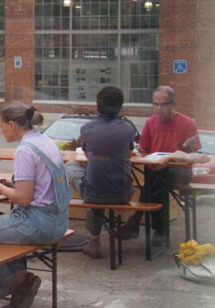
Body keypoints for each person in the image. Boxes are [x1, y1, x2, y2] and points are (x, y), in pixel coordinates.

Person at [0, 102, 71, 308]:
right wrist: (7, 183)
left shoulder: (24, 151)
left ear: (12, 125)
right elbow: (40, 187)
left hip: (38, 224)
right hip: (58, 221)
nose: (0, 130)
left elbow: (22, 198)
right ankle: (21, 280)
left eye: (1, 126)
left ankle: (18, 286)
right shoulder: (46, 141)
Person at [116, 85, 208, 244]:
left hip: (180, 173)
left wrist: (188, 147)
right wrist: (138, 150)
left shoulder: (186, 123)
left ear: (173, 104)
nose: (159, 108)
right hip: (157, 171)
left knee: (156, 181)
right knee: (157, 182)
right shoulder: (150, 123)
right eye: (156, 104)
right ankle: (160, 232)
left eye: (163, 104)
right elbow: (144, 149)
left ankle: (137, 221)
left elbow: (195, 154)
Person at [65, 86, 135, 260]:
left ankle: (95, 239)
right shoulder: (127, 128)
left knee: (72, 166)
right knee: (94, 179)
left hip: (94, 193)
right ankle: (98, 238)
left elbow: (88, 156)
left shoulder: (88, 128)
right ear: (120, 107)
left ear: (97, 106)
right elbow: (129, 153)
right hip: (124, 192)